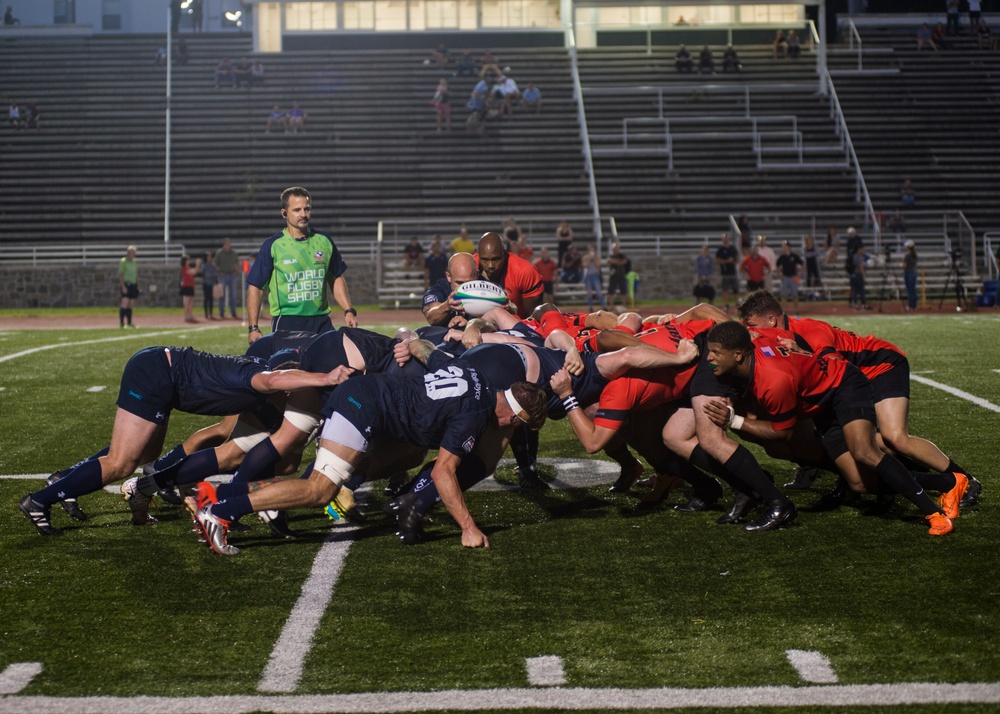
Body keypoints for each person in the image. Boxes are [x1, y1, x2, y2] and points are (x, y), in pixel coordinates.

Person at [194, 369, 548, 554]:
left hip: (376, 401)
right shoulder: (475, 413)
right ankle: (221, 513)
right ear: (514, 417)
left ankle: (219, 496)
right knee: (320, 490)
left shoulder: (481, 382)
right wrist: (468, 528)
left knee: (407, 454)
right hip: (366, 407)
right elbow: (443, 472)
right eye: (521, 427)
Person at [18, 346, 353, 536]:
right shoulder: (260, 379)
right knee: (122, 463)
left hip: (163, 377)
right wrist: (326, 377)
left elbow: (272, 450)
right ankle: (41, 499)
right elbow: (275, 379)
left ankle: (69, 481)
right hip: (155, 373)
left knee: (143, 455)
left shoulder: (264, 391)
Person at [702, 321, 963, 537]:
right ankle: (949, 481)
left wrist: (734, 421)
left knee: (864, 451)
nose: (709, 357)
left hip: (844, 386)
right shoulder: (754, 343)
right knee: (860, 483)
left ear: (738, 355)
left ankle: (935, 514)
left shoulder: (773, 380)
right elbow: (782, 335)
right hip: (822, 405)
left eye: (715, 352)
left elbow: (784, 433)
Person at [738, 289, 981, 507]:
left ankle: (964, 480)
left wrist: (802, 353)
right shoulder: (775, 338)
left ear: (771, 320)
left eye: (751, 325)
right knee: (846, 441)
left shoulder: (809, 330)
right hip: (850, 384)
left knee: (894, 437)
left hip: (879, 366)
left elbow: (836, 366)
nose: (750, 332)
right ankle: (871, 482)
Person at [246, 186, 357, 345]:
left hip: (321, 322)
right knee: (293, 368)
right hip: (287, 322)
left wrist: (348, 310)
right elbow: (255, 287)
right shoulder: (273, 245)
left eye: (307, 209)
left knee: (336, 365)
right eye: (297, 210)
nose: (303, 214)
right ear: (284, 213)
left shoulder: (324, 240)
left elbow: (336, 277)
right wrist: (253, 327)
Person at [476, 231, 544, 318]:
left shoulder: (524, 272)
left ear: (504, 254)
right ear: (478, 255)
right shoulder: (468, 267)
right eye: (484, 260)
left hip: (518, 325)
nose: (490, 266)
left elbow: (533, 318)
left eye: (495, 259)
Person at [422, 251, 478, 327]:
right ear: (449, 276)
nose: (464, 289)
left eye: (468, 283)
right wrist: (447, 306)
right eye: (459, 283)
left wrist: (472, 325)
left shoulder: (487, 289)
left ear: (477, 276)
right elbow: (431, 318)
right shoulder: (439, 290)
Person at [214, 237, 241, 319]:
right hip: (223, 275)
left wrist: (236, 271)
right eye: (226, 244)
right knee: (221, 294)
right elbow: (215, 263)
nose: (228, 245)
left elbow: (237, 263)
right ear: (224, 245)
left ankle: (233, 312)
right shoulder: (220, 253)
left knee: (233, 294)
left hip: (232, 275)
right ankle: (221, 312)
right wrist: (219, 271)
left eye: (229, 244)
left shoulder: (233, 253)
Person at [775, 241, 804, 315]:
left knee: (795, 295)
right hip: (785, 277)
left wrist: (799, 274)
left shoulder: (794, 256)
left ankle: (796, 310)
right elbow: (777, 266)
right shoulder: (782, 257)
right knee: (784, 295)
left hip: (793, 277)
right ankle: (783, 311)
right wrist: (779, 275)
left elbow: (802, 264)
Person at [716, 233, 740, 312]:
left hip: (733, 272)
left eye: (727, 238)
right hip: (725, 273)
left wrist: (732, 260)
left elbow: (737, 258)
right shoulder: (720, 250)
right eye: (724, 239)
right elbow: (717, 261)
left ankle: (737, 304)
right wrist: (727, 261)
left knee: (735, 289)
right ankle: (727, 305)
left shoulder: (732, 249)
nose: (725, 240)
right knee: (725, 289)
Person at [119, 245, 138, 328]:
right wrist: (123, 286)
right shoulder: (123, 261)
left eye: (133, 252)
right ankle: (121, 323)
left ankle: (129, 323)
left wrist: (137, 285)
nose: (131, 254)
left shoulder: (134, 262)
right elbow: (120, 275)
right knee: (124, 303)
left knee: (131, 304)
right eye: (130, 252)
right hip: (127, 284)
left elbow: (136, 275)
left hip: (133, 284)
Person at [607, 243, 630, 312]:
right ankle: (611, 306)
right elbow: (610, 261)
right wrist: (618, 262)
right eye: (614, 248)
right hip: (613, 276)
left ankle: (624, 306)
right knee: (611, 291)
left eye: (617, 248)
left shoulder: (622, 255)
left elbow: (624, 262)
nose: (616, 249)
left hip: (621, 275)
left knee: (624, 291)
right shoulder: (611, 256)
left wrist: (615, 262)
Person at [582, 244, 606, 312]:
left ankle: (603, 306)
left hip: (595, 275)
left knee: (598, 291)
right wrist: (589, 259)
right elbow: (586, 266)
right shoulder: (585, 258)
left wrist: (594, 258)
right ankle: (590, 307)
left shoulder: (597, 257)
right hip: (588, 276)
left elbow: (598, 265)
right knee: (589, 292)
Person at [179, 254, 200, 324]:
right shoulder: (184, 268)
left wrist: (197, 266)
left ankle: (190, 315)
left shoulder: (188, 268)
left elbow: (195, 272)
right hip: (186, 287)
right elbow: (193, 272)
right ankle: (186, 316)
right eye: (187, 260)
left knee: (191, 302)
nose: (189, 261)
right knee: (187, 303)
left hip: (190, 286)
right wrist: (197, 265)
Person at [200, 251, 220, 320]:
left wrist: (213, 277)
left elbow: (215, 274)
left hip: (212, 284)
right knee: (206, 298)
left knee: (211, 299)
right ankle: (206, 314)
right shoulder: (203, 266)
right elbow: (206, 275)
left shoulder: (213, 266)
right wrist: (211, 275)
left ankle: (210, 313)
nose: (210, 258)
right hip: (206, 284)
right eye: (208, 256)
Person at [850, 244, 868, 310]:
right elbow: (861, 267)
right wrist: (864, 275)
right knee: (861, 290)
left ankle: (856, 303)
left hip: (853, 275)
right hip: (858, 275)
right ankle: (863, 304)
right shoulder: (858, 256)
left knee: (855, 291)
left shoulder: (854, 256)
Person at [903, 240, 918, 311]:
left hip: (909, 272)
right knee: (913, 290)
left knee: (910, 290)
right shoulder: (914, 255)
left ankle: (910, 305)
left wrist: (901, 265)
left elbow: (904, 265)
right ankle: (914, 305)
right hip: (914, 271)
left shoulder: (907, 255)